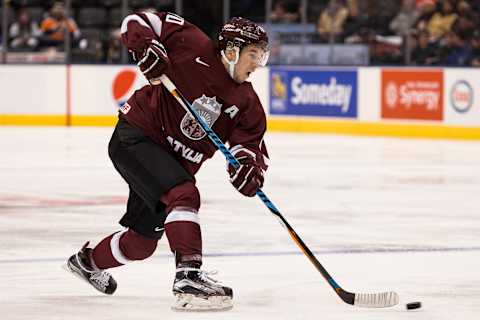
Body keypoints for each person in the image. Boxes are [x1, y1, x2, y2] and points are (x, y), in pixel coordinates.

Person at [65, 11, 270, 312]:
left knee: (141, 243)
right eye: (253, 54)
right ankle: (189, 277)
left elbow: (249, 146)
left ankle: (86, 262)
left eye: (262, 56)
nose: (257, 64)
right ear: (231, 50)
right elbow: (139, 21)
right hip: (137, 136)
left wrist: (248, 170)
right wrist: (146, 44)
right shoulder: (192, 44)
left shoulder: (247, 103)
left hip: (170, 163)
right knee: (185, 194)